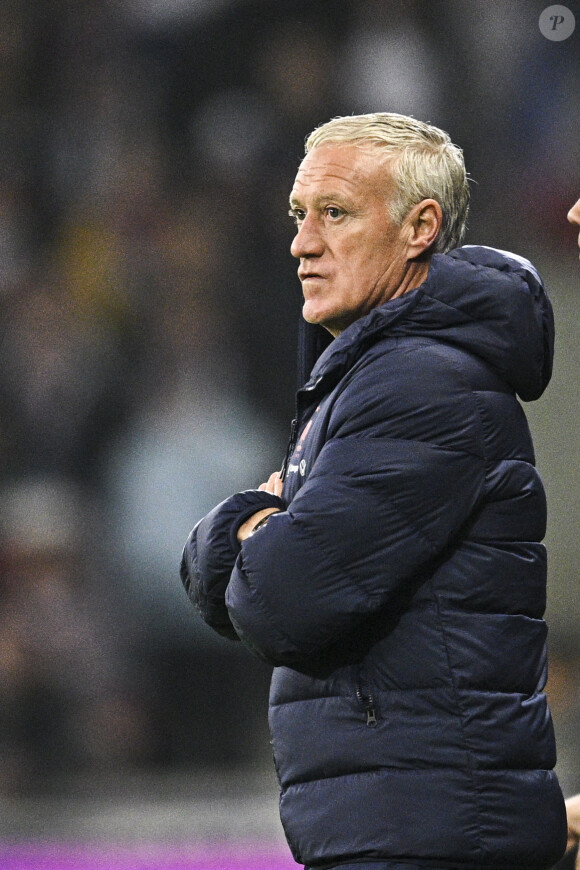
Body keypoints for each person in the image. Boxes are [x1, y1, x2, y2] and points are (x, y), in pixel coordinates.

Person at [180, 113, 567, 869]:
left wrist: (259, 524)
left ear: (420, 227)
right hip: (408, 825)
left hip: (429, 836)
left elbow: (276, 600)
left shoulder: (423, 383)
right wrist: (257, 524)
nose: (301, 242)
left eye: (334, 213)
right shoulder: (369, 379)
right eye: (299, 215)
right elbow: (234, 587)